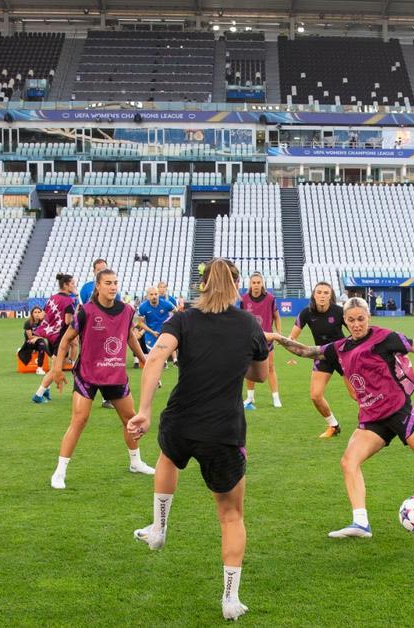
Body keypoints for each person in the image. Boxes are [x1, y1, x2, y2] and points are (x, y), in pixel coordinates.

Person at [270, 297, 414, 538]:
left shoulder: (385, 337)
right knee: (349, 462)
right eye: (351, 320)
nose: (357, 324)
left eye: (361, 319)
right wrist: (278, 338)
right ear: (345, 322)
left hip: (398, 411)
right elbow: (308, 351)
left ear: (368, 318)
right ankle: (361, 523)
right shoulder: (339, 348)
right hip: (372, 420)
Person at [125, 259, 270, 622]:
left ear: (202, 285)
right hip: (223, 432)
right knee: (231, 515)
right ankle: (230, 600)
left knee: (168, 459)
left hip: (180, 423)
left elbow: (157, 354)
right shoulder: (249, 324)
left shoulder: (183, 319)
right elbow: (261, 375)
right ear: (236, 286)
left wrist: (143, 409)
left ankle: (159, 528)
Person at [48, 269, 154, 488]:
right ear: (98, 286)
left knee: (130, 420)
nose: (113, 287)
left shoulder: (127, 310)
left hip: (115, 374)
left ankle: (136, 462)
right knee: (79, 420)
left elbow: (129, 337)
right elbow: (66, 340)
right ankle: (59, 472)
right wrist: (58, 369)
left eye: (115, 282)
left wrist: (144, 361)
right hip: (87, 375)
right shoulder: (85, 311)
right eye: (108, 283)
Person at [288, 282, 349, 438]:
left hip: (343, 356)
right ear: (314, 295)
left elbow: (356, 331)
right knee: (315, 395)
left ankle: (376, 422)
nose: (322, 295)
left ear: (331, 296)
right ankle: (333, 426)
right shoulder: (306, 313)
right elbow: (292, 337)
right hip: (322, 355)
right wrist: (292, 353)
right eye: (319, 292)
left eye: (326, 293)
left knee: (356, 395)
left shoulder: (339, 312)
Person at [32, 273, 77, 404]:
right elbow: (68, 321)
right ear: (66, 285)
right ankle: (38, 394)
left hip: (49, 336)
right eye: (73, 283)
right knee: (56, 368)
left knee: (56, 365)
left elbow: (43, 315)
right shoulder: (69, 301)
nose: (74, 286)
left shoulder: (52, 297)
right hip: (61, 338)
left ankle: (46, 388)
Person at [240, 271, 282, 409]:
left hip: (267, 340)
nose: (256, 285)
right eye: (254, 283)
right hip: (249, 340)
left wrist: (278, 333)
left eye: (259, 282)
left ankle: (276, 398)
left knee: (270, 367)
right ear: (250, 284)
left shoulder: (270, 298)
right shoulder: (244, 299)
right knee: (249, 368)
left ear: (262, 284)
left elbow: (276, 316)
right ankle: (250, 398)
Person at [137, 285, 176, 366]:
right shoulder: (143, 307)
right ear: (147, 296)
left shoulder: (166, 303)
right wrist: (152, 332)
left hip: (164, 333)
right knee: (153, 359)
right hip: (150, 334)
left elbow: (177, 313)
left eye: (156, 294)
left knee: (158, 359)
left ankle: (169, 361)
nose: (154, 296)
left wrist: (169, 322)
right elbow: (140, 323)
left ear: (158, 294)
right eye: (151, 294)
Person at [19, 307, 50, 374]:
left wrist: (39, 338)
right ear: (32, 314)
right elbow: (30, 337)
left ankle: (39, 368)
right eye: (35, 312)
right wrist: (39, 337)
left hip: (39, 343)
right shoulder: (28, 323)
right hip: (29, 343)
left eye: (39, 312)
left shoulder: (44, 322)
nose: (37, 314)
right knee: (41, 341)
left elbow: (47, 334)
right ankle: (52, 356)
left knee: (41, 345)